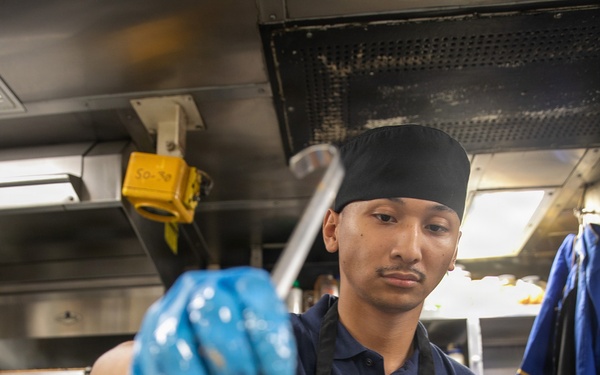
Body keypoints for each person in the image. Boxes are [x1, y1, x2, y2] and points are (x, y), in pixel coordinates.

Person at [91, 124, 474, 375]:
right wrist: (151, 359)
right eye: (385, 217)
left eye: (436, 227)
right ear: (331, 229)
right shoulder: (261, 351)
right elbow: (113, 366)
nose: (409, 249)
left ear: (454, 249)